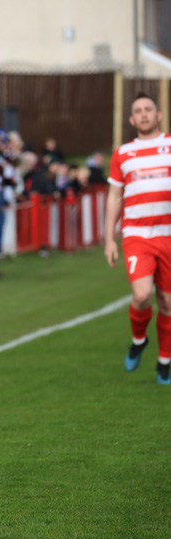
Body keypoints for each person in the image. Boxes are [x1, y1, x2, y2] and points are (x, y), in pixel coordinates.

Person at [105, 92, 171, 385]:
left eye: (149, 109)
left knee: (168, 303)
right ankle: (139, 339)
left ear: (158, 115)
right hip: (137, 235)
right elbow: (115, 196)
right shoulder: (122, 154)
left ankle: (164, 363)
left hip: (168, 234)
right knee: (142, 294)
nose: (144, 114)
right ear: (132, 119)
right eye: (138, 111)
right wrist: (109, 238)